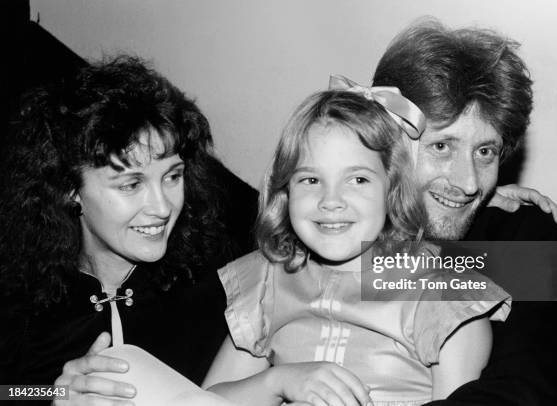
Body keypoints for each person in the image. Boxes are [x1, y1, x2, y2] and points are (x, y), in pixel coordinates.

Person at [202, 87, 512, 406]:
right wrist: (276, 382)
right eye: (310, 180)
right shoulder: (269, 282)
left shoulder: (445, 297)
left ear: (392, 188)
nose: (331, 201)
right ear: (286, 191)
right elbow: (197, 402)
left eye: (358, 180)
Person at [0, 56, 252, 404]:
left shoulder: (215, 272)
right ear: (70, 189)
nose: (162, 207)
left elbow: (336, 267)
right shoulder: (18, 298)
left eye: (172, 176)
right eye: (131, 184)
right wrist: (52, 393)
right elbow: (8, 392)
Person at [371, 19, 557, 405]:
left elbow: (525, 388)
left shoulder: (528, 235)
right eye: (442, 146)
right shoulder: (338, 229)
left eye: (485, 152)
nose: (469, 183)